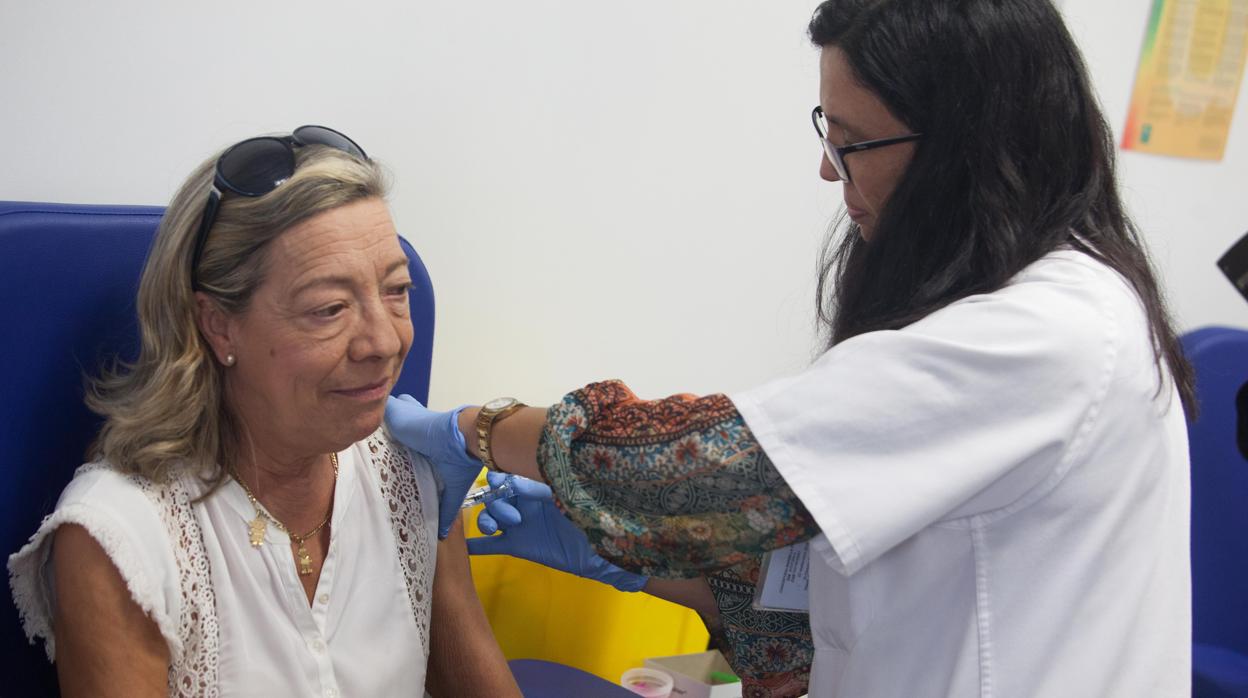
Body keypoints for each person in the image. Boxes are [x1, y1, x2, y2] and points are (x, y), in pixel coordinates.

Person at [385, 0, 1196, 696]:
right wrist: (636, 564)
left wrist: (480, 428)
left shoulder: (1045, 335)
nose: (825, 168)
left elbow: (702, 469)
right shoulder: (1037, 307)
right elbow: (862, 601)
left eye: (851, 139)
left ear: (963, 148)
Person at [8, 128, 520, 696]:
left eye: (397, 291)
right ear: (218, 324)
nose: (384, 341)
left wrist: (501, 433)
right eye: (329, 308)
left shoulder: (411, 473)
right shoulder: (122, 540)